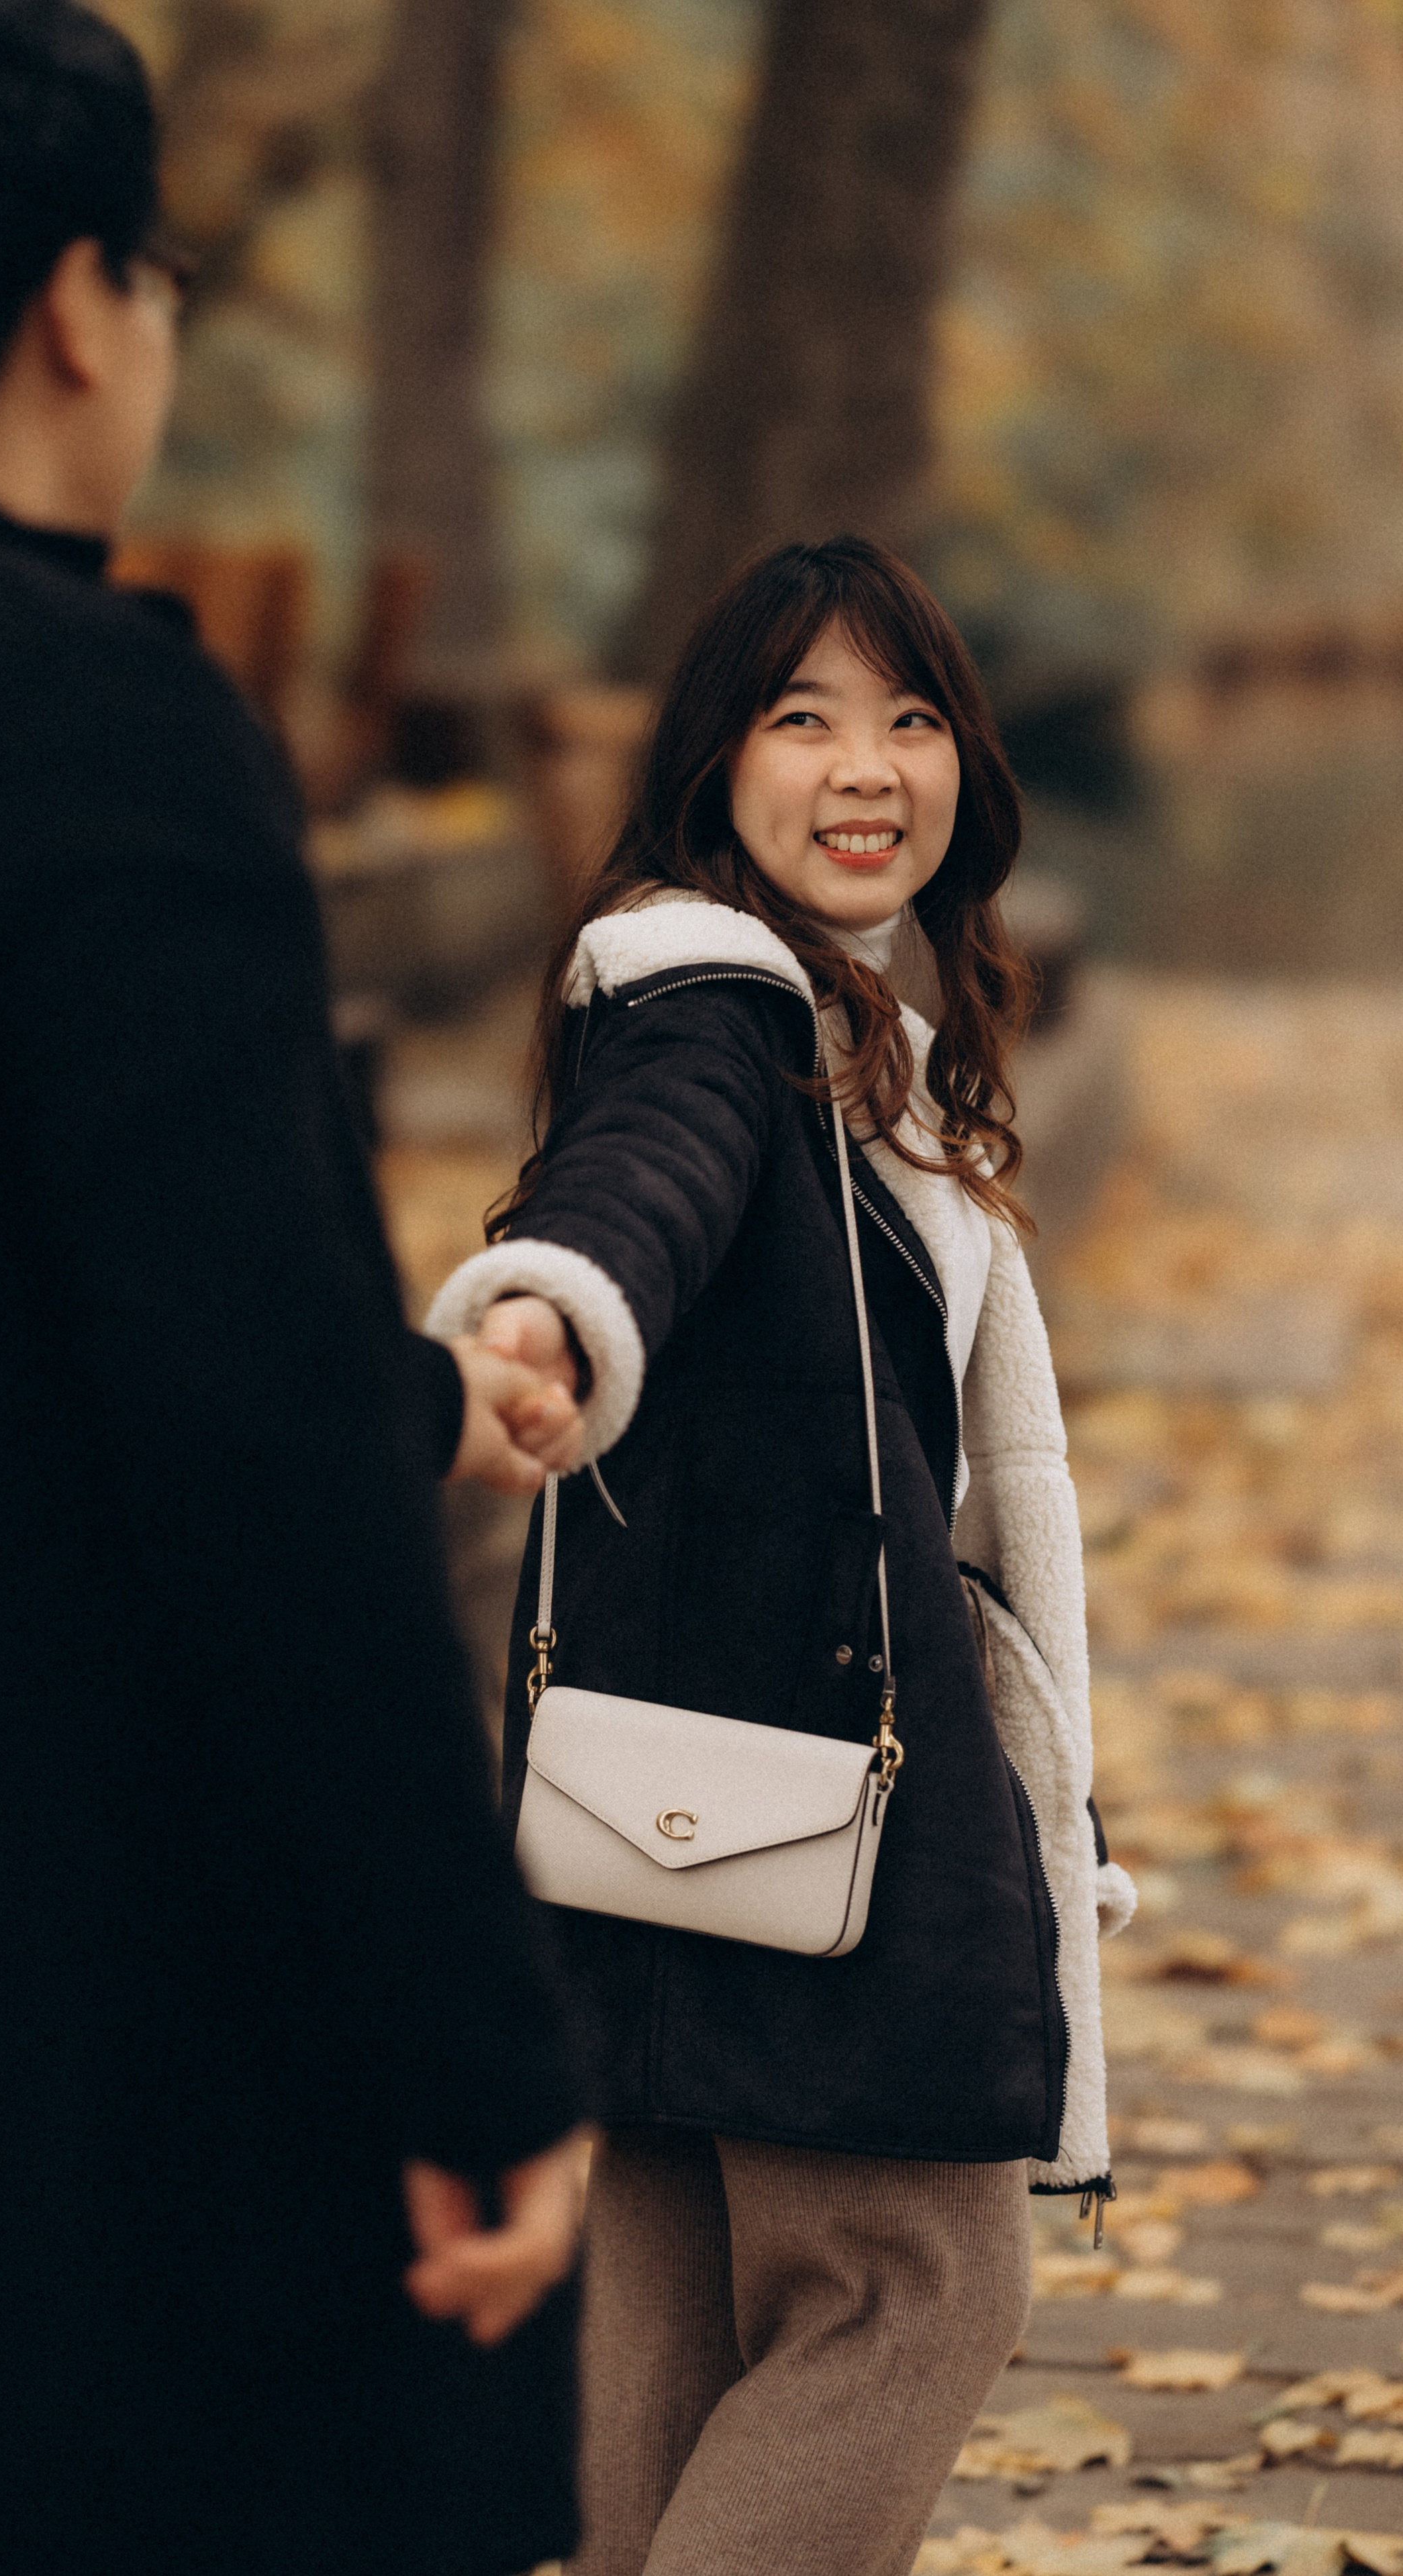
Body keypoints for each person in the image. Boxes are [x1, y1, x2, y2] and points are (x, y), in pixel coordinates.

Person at [0, 2, 590, 2568]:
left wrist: (407, 1394)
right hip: (36, 2036)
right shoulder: (85, 719)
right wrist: (468, 2037)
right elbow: (235, 1440)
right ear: (86, 304)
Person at [426, 538, 1138, 2576]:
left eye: (911, 716)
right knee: (919, 2291)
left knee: (665, 2335)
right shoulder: (713, 1009)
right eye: (802, 714)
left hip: (678, 1802)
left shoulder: (856, 1043)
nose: (866, 765)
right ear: (713, 765)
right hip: (817, 1813)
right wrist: (555, 1306)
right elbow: (638, 1183)